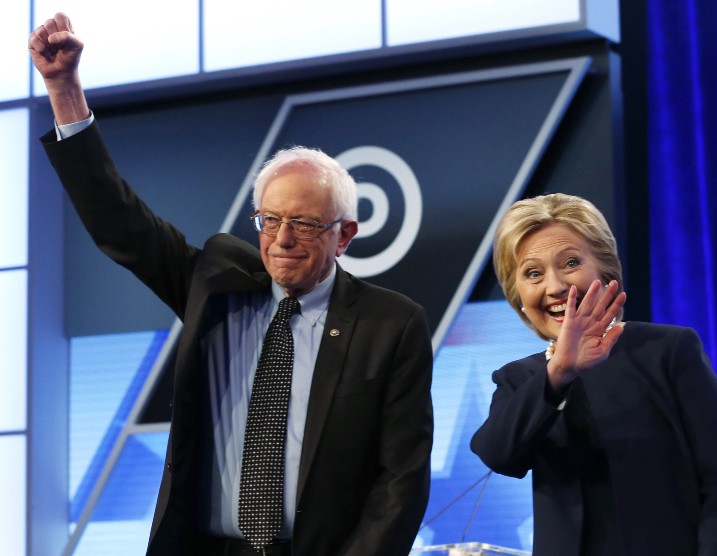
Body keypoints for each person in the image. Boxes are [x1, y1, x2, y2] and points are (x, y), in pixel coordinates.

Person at [30, 13, 433, 556]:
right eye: (270, 220)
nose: (283, 239)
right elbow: (118, 222)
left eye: (306, 225)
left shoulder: (390, 324)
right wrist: (64, 90)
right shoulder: (217, 285)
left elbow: (400, 481)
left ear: (345, 236)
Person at [470, 193, 717, 555]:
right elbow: (497, 454)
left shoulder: (668, 351)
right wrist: (559, 371)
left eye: (571, 263)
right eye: (533, 273)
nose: (555, 287)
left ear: (605, 267)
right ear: (518, 295)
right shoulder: (520, 378)